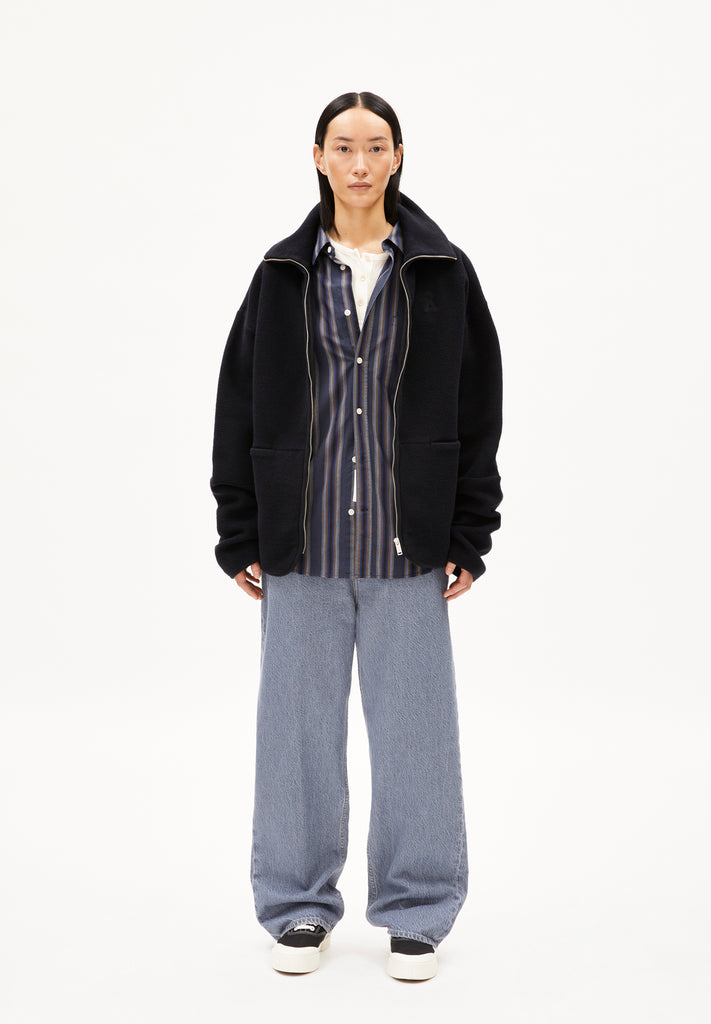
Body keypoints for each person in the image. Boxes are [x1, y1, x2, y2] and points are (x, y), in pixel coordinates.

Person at [210, 91, 503, 981]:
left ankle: (416, 911)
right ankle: (298, 908)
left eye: (375, 146)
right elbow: (237, 402)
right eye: (343, 146)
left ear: (397, 156)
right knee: (294, 737)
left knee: (416, 736)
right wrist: (239, 528)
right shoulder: (280, 273)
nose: (360, 162)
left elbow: (478, 407)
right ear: (318, 157)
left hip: (406, 546)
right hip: (298, 546)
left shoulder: (441, 270)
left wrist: (468, 529)